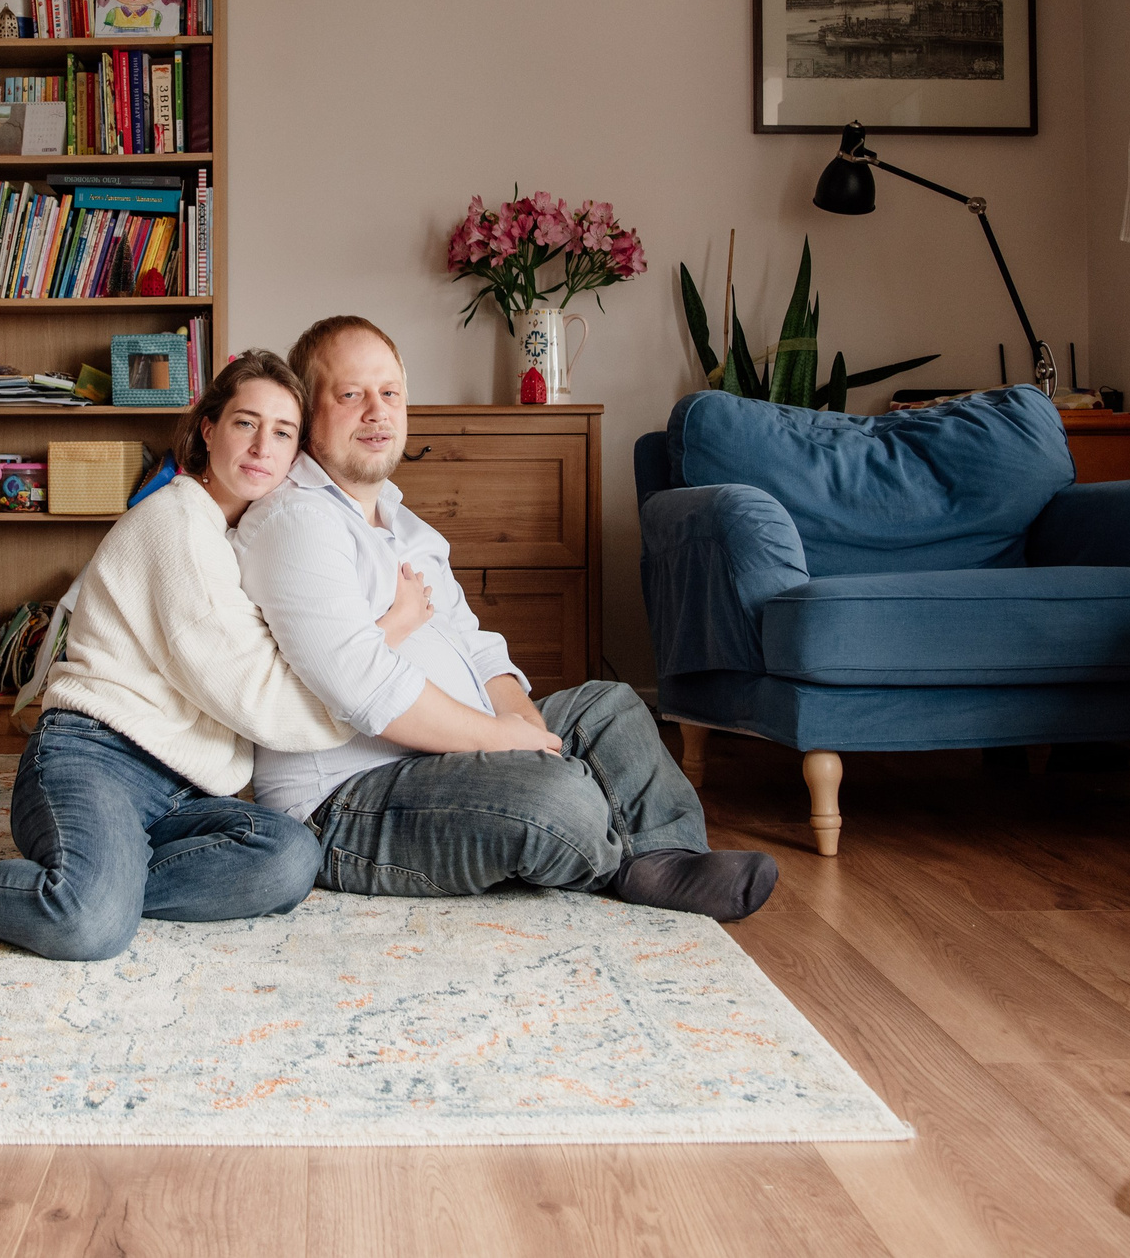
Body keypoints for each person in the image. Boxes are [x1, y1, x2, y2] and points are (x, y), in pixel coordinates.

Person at [0, 350, 434, 959]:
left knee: (287, 859)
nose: (264, 447)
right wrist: (386, 636)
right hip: (93, 759)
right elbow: (262, 701)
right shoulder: (179, 526)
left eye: (284, 432)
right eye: (246, 423)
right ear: (208, 429)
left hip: (184, 791)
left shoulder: (238, 538)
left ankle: (74, 883)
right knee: (87, 925)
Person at [238, 316, 779, 922]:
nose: (377, 411)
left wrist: (521, 720)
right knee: (556, 796)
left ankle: (666, 857)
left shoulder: (401, 521)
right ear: (310, 416)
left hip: (457, 754)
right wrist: (506, 744)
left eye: (389, 393)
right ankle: (616, 857)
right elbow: (361, 686)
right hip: (347, 800)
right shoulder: (296, 522)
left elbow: (477, 645)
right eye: (350, 394)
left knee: (612, 707)